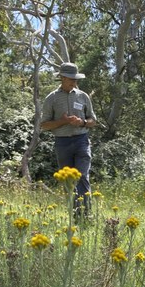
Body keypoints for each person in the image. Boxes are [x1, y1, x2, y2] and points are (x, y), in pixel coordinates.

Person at [41, 62, 97, 216]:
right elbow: (44, 125)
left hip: (81, 141)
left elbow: (93, 121)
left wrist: (83, 122)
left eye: (76, 79)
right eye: (71, 79)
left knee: (82, 176)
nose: (74, 82)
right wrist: (63, 121)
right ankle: (75, 215)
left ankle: (87, 214)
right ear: (62, 78)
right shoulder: (51, 98)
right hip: (62, 143)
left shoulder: (83, 96)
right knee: (68, 181)